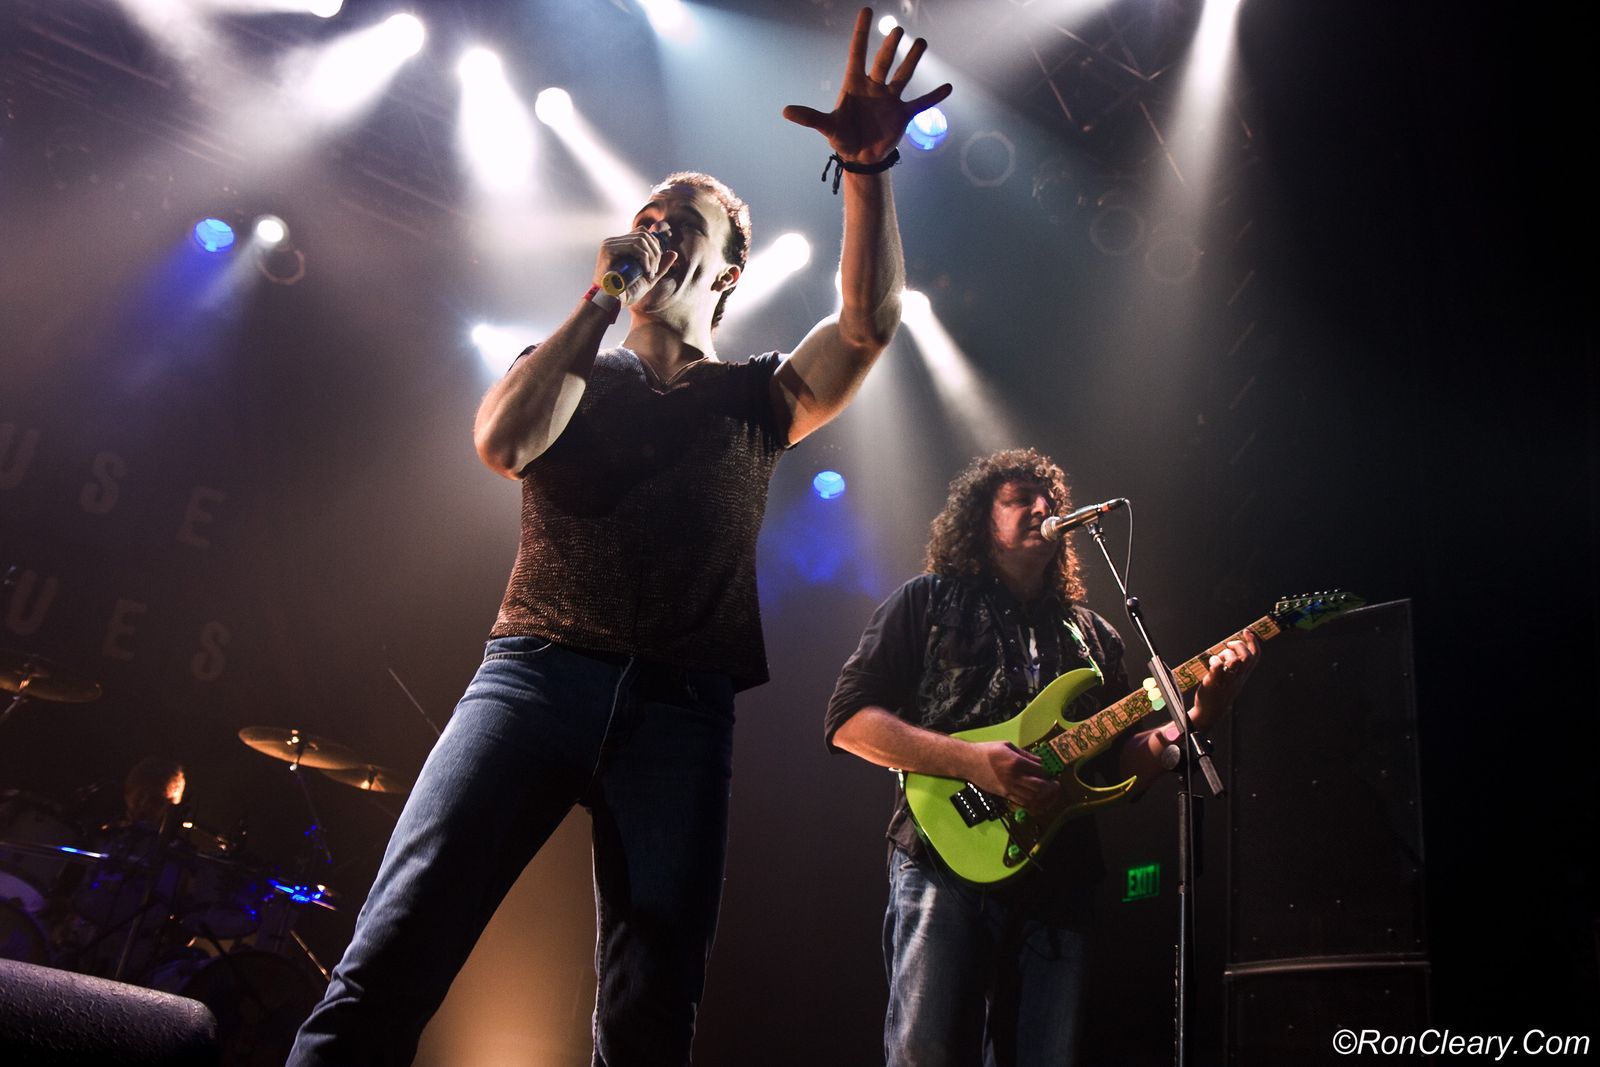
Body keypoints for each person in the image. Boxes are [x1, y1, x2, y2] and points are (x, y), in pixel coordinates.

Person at [287, 9, 951, 1066]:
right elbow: (504, 442)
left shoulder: (759, 397)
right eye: (649, 216)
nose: (659, 229)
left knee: (651, 1008)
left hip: (680, 712)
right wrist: (599, 300)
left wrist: (866, 172)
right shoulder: (571, 367)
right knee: (395, 947)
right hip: (531, 679)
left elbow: (868, 325)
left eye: (685, 223)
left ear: (728, 272)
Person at [823, 448, 1258, 1067]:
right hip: (942, 856)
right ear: (981, 518)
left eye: (1048, 498)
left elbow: (1118, 767)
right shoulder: (927, 602)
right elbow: (848, 722)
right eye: (1019, 499)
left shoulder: (1094, 635)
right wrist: (973, 763)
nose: (1042, 508)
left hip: (1060, 874)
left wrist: (1197, 717)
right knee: (927, 1051)